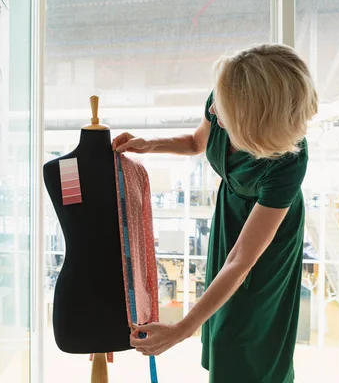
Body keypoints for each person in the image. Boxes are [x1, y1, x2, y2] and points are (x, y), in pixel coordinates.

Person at [113, 44, 317, 383]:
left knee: (246, 338)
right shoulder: (225, 95)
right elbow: (197, 142)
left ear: (256, 120)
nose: (215, 114)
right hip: (231, 216)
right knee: (222, 328)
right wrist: (150, 144)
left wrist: (180, 330)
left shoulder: (289, 163)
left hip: (269, 234)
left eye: (224, 114)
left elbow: (241, 260)